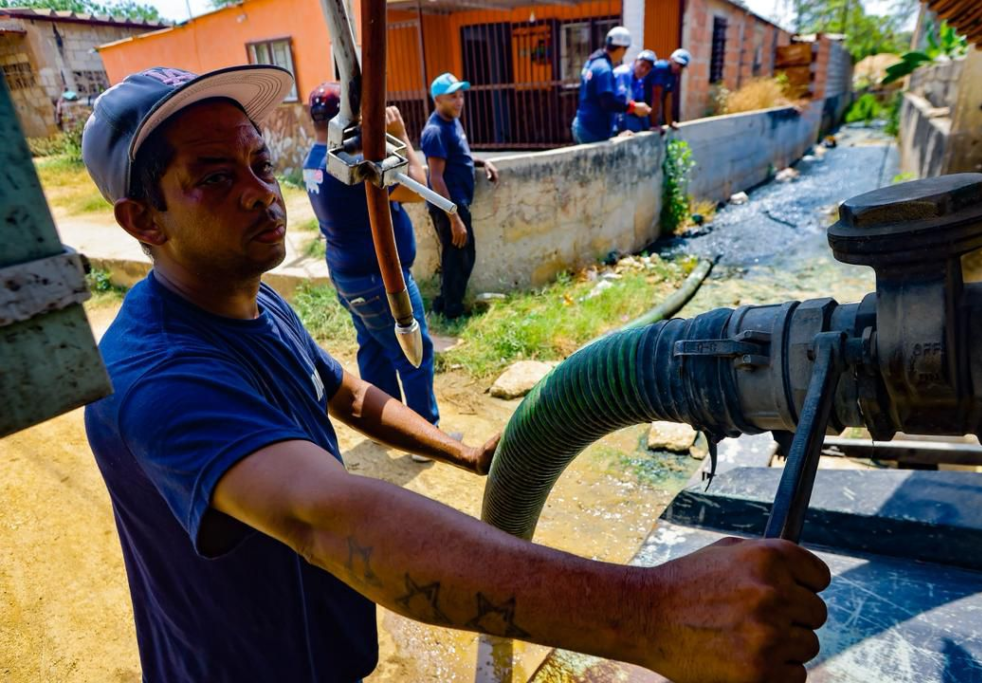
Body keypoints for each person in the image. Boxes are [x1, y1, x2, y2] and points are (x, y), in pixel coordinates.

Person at [80, 64, 830, 683]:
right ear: (143, 219)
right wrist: (653, 613)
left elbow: (348, 394)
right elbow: (325, 517)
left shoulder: (257, 301)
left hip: (318, 650)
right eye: (214, 177)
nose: (258, 189)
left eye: (258, 163)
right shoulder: (157, 377)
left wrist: (464, 452)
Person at [302, 83, 439, 462]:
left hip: (346, 273)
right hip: (380, 279)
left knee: (374, 348)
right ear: (348, 117)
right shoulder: (352, 166)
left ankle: (385, 429)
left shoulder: (314, 158)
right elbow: (418, 188)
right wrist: (401, 135)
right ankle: (424, 439)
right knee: (413, 353)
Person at [420, 72, 498, 319]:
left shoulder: (452, 121)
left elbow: (458, 157)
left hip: (457, 203)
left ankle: (443, 304)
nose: (459, 101)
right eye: (452, 97)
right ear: (438, 100)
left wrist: (482, 162)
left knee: (458, 257)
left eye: (461, 95)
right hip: (448, 207)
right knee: (460, 258)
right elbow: (436, 178)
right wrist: (454, 218)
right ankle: (452, 312)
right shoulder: (435, 131)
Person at [572, 26, 652, 144]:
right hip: (593, 129)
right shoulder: (605, 69)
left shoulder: (592, 62)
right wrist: (633, 107)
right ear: (621, 49)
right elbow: (608, 102)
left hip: (582, 123)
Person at [614, 49, 657, 134]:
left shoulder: (639, 80)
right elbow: (619, 102)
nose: (643, 70)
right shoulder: (624, 73)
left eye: (647, 68)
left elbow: (639, 100)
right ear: (635, 61)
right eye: (642, 65)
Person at [647, 48, 691, 128]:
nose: (678, 67)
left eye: (681, 66)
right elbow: (656, 97)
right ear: (671, 59)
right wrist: (654, 124)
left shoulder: (673, 76)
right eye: (677, 63)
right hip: (643, 102)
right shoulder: (662, 68)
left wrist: (670, 122)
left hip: (651, 106)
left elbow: (668, 99)